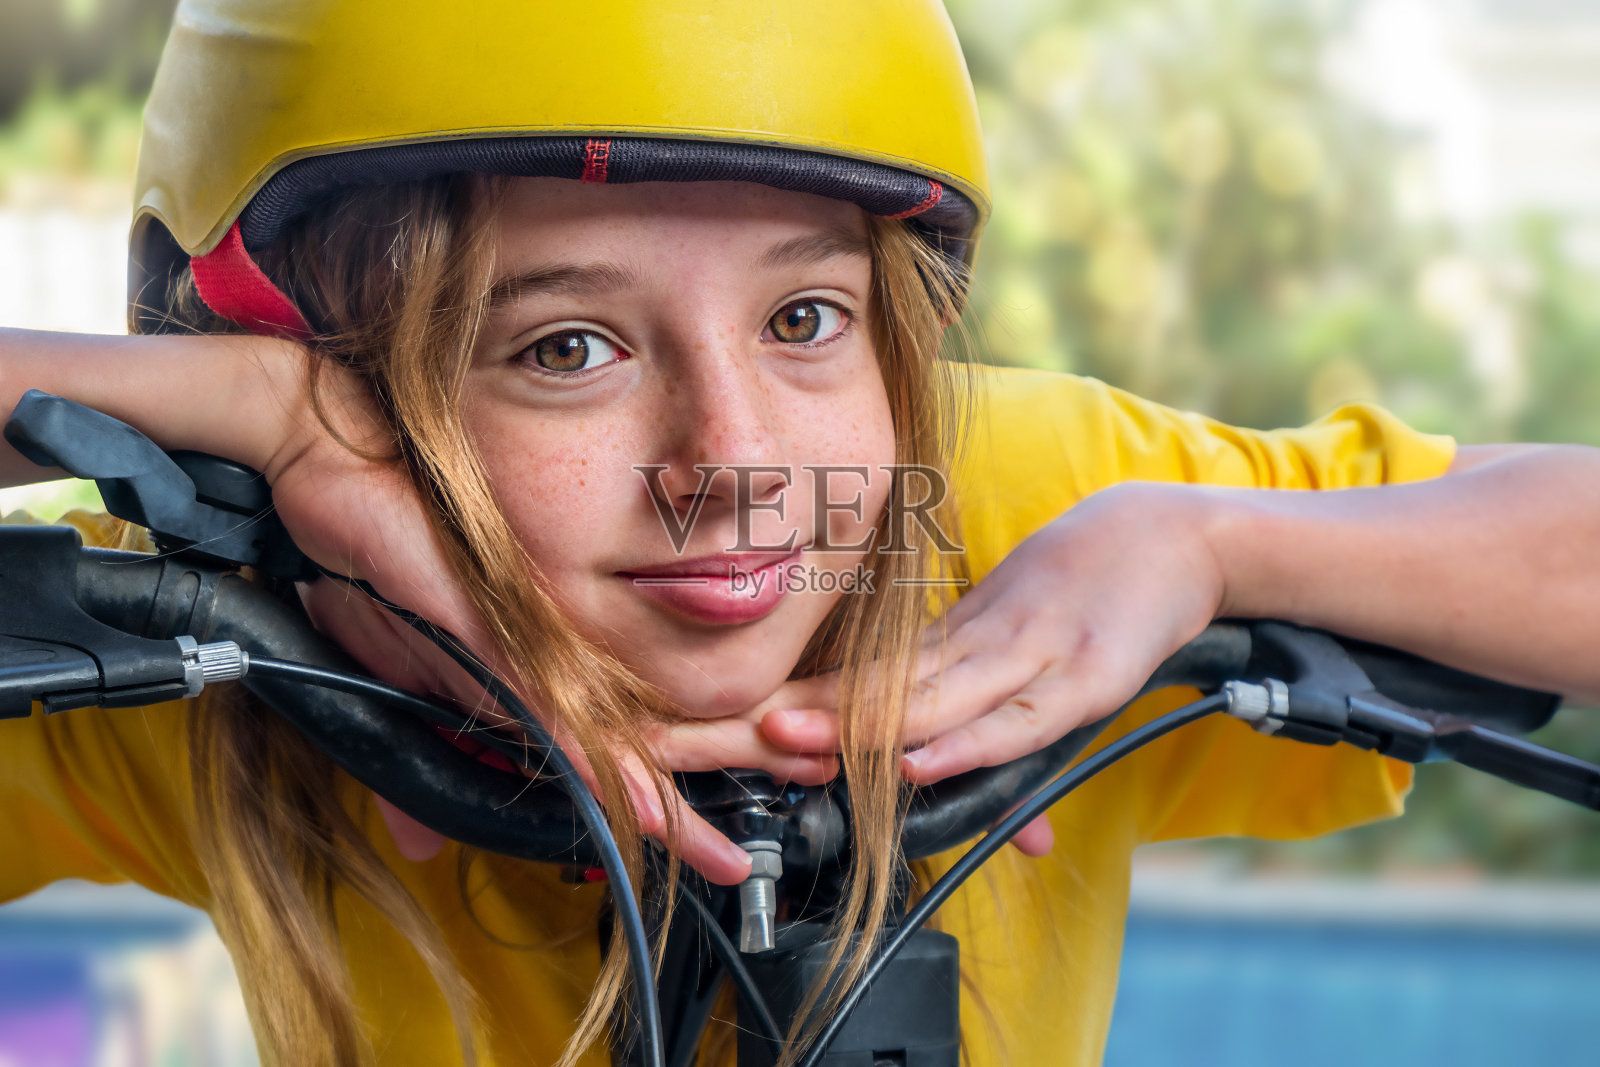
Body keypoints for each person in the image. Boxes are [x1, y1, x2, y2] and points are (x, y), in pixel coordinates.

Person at [2, 1, 1599, 1065]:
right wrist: (258, 422)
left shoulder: (1006, 524)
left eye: (809, 314)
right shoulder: (210, 653)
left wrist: (1218, 548)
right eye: (566, 348)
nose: (740, 464)